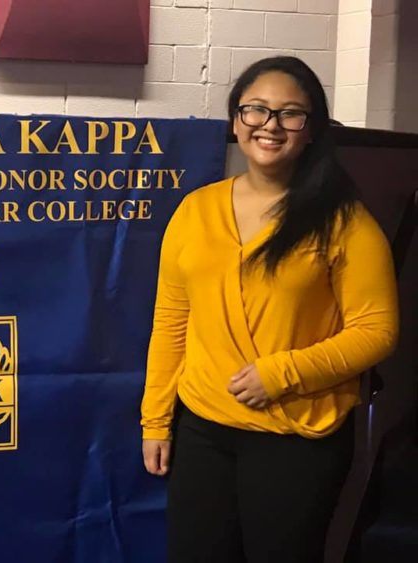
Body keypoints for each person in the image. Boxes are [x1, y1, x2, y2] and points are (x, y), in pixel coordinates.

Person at [140, 56, 399, 563]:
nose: (270, 125)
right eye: (255, 110)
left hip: (298, 437)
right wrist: (155, 421)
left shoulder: (344, 221)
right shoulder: (196, 210)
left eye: (290, 114)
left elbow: (378, 330)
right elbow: (172, 322)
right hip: (203, 430)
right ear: (237, 121)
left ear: (311, 130)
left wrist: (282, 373)